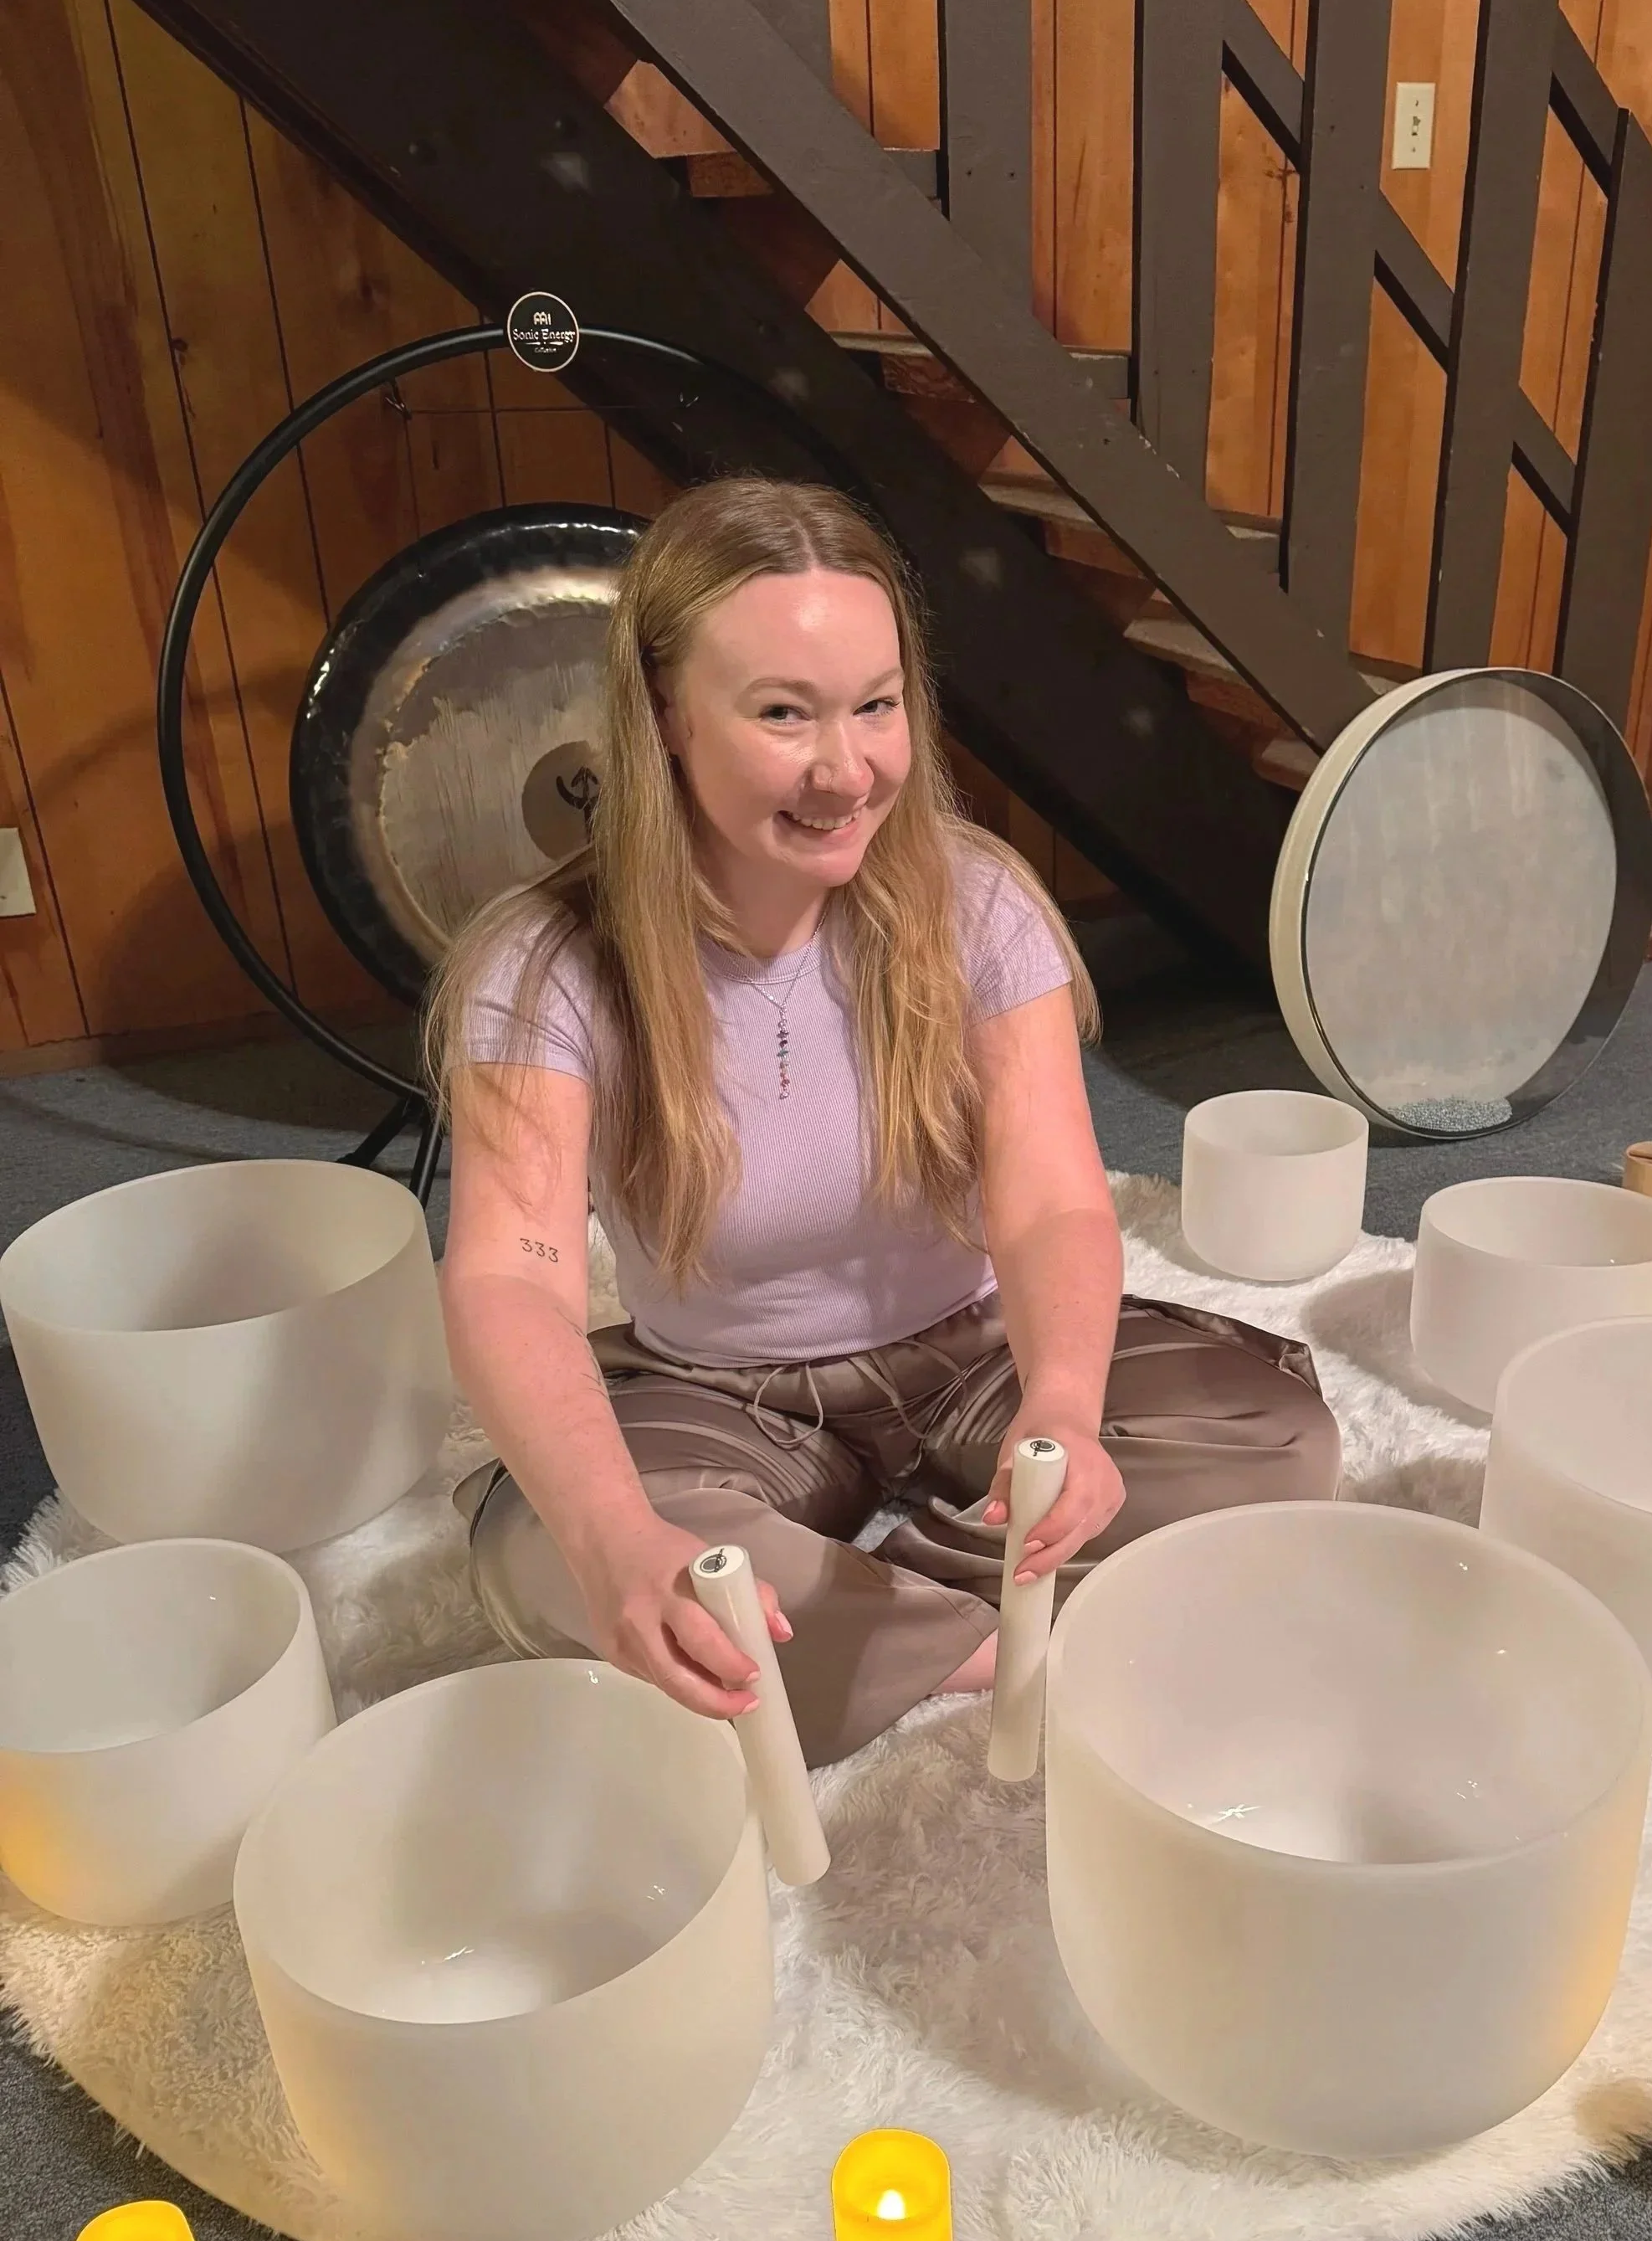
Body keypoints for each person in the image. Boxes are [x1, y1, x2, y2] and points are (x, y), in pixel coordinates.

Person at [430, 478, 1340, 1767]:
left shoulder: (979, 902)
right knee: (552, 1552)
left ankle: (858, 1625)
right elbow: (511, 1276)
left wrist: (1065, 1412)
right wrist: (614, 1538)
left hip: (975, 1355)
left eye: (875, 704)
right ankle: (988, 1635)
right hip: (720, 1392)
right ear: (667, 714)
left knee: (1280, 1447)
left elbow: (1050, 1198)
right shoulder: (538, 964)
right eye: (782, 713)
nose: (844, 770)